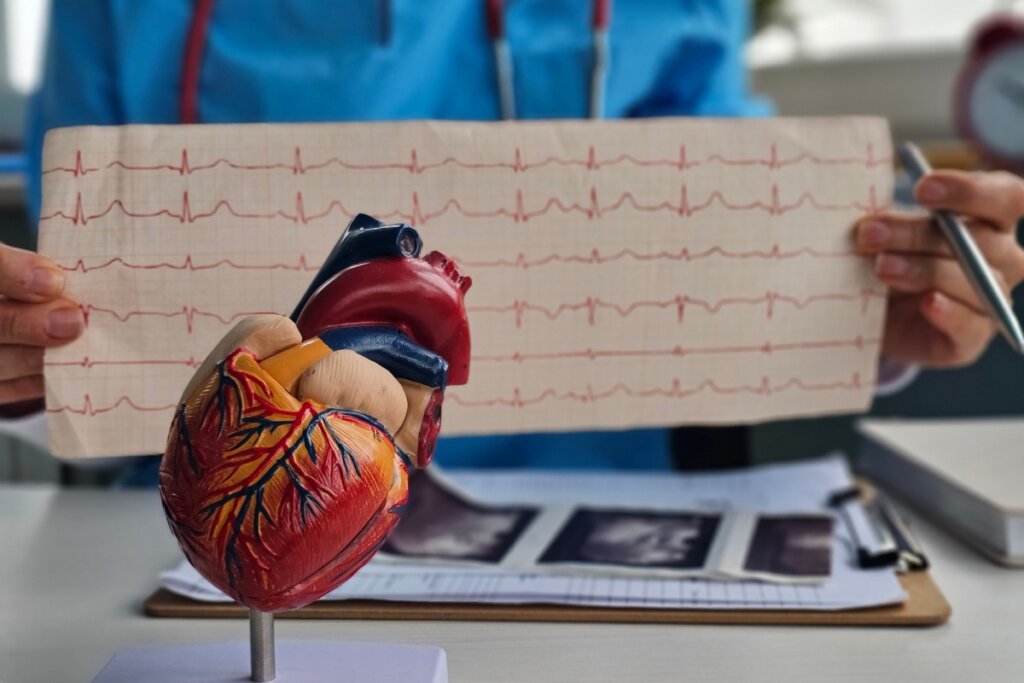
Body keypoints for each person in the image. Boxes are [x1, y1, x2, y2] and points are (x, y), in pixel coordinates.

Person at [3, 1, 1024, 471]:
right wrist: (24, 345)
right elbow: (63, 299)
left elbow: (742, 234)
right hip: (196, 542)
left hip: (584, 545)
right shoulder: (114, 11)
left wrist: (877, 302)